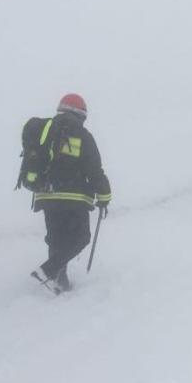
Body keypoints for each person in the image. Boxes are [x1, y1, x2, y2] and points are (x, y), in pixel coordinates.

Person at [29, 94, 112, 295]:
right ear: (80, 114)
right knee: (80, 237)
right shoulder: (82, 135)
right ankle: (48, 270)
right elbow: (94, 170)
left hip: (45, 196)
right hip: (73, 198)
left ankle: (60, 281)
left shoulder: (45, 133)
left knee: (56, 238)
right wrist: (104, 196)